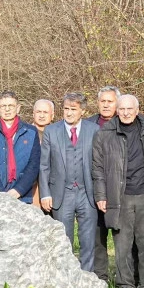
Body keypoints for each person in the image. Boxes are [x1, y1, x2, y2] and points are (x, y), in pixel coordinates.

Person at [93, 94, 144, 288]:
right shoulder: (105, 133)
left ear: (137, 110)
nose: (125, 113)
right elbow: (97, 167)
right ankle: (125, 285)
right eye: (122, 109)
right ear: (116, 110)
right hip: (119, 195)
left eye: (129, 109)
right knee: (122, 243)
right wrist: (101, 195)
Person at [39, 93, 100, 271]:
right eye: (66, 109)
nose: (69, 113)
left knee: (88, 240)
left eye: (73, 109)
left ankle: (87, 276)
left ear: (83, 111)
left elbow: (99, 164)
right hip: (61, 193)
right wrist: (45, 193)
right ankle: (65, 277)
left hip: (87, 192)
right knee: (64, 240)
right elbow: (44, 166)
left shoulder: (94, 130)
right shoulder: (52, 131)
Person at [0, 91, 40, 203]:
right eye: (3, 106)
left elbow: (33, 165)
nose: (7, 109)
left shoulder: (31, 132)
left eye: (11, 106)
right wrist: (0, 193)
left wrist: (18, 190)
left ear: (18, 108)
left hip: (22, 196)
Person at [86, 85, 120, 280]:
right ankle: (100, 276)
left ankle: (128, 276)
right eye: (103, 101)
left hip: (119, 188)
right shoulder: (88, 125)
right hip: (93, 188)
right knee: (97, 236)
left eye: (110, 101)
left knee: (122, 236)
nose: (106, 105)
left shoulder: (124, 122)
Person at [29, 99, 55, 209]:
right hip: (31, 189)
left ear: (52, 115)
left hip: (54, 188)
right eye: (39, 112)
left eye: (45, 112)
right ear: (33, 114)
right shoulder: (25, 133)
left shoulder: (59, 134)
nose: (42, 116)